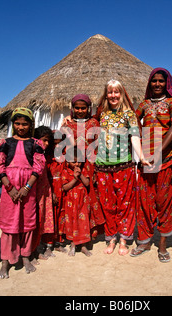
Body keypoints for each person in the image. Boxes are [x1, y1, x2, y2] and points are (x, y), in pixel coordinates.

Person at [131, 68, 172, 263]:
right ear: (149, 84)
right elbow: (134, 125)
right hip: (145, 160)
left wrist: (158, 153)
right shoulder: (143, 105)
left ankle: (162, 245)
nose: (158, 84)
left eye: (161, 81)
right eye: (154, 81)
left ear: (166, 83)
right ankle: (144, 241)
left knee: (164, 202)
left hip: (165, 159)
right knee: (144, 201)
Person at [95, 79, 150, 255]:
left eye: (116, 92)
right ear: (106, 94)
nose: (113, 95)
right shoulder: (101, 114)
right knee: (107, 204)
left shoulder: (129, 115)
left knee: (124, 205)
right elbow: (86, 122)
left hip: (124, 166)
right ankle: (111, 238)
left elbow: (135, 137)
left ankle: (123, 240)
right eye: (110, 92)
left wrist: (141, 157)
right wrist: (67, 117)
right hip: (103, 167)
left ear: (121, 93)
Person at [0, 108, 45, 279]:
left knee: (27, 223)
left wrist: (26, 188)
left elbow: (39, 167)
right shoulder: (5, 143)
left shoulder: (36, 144)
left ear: (31, 125)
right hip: (10, 189)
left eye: (25, 124)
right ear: (13, 124)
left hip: (28, 188)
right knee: (9, 225)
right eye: (17, 123)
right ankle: (6, 262)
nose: (21, 127)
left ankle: (26, 257)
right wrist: (9, 187)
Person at [60, 94, 105, 239]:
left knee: (91, 195)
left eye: (83, 108)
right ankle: (73, 232)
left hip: (91, 165)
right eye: (77, 108)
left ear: (88, 108)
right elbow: (63, 146)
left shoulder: (94, 123)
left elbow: (99, 145)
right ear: (73, 108)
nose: (80, 111)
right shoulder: (67, 124)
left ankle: (91, 231)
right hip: (73, 165)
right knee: (74, 197)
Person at [61, 145, 92, 257]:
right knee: (72, 222)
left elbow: (87, 183)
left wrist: (80, 175)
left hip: (82, 201)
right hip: (71, 202)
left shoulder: (84, 170)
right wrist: (74, 178)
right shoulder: (65, 172)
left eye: (79, 161)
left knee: (83, 222)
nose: (77, 164)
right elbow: (65, 187)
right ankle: (73, 244)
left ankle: (83, 246)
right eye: (73, 162)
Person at [33, 125, 56, 258]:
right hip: (33, 191)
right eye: (43, 140)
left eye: (48, 141)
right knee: (35, 220)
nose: (46, 144)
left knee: (45, 219)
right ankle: (33, 250)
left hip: (45, 190)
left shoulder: (46, 155)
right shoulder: (31, 153)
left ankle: (44, 246)